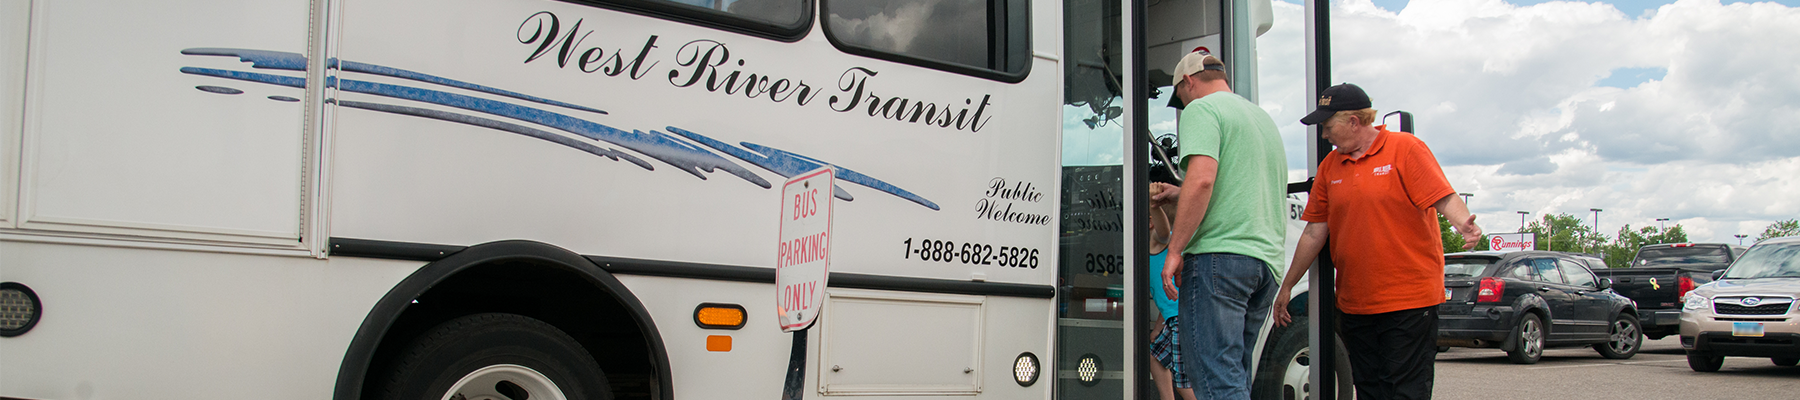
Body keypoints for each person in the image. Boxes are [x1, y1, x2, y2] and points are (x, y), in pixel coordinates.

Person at [1272, 83, 1482, 400]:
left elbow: (1442, 195)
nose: (1324, 135)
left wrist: (1463, 222)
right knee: (1370, 389)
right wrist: (1287, 286)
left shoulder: (1405, 148)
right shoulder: (1330, 167)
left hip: (1408, 300)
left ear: (1354, 121)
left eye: (1328, 127)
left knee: (1405, 390)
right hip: (1356, 303)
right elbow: (1315, 233)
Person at [1153, 50, 1289, 400]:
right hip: (1265, 263)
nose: (1183, 104)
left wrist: (1176, 249)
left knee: (1213, 376)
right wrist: (1178, 194)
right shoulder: (1260, 118)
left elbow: (1202, 181)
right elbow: (1237, 187)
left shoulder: (1202, 109)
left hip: (1220, 260)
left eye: (1180, 97)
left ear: (1189, 81)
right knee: (1235, 373)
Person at [1145, 169, 1196, 400]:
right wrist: (1157, 327)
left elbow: (1164, 231)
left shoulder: (1159, 241)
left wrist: (1154, 206)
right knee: (1154, 356)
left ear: (1150, 222)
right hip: (1172, 318)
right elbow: (1168, 298)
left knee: (1184, 381)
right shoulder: (1147, 247)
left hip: (1181, 321)